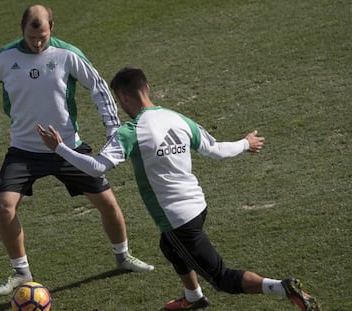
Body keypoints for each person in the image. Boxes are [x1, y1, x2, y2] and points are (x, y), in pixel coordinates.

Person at [38, 67, 321, 311]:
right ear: (146, 88)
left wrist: (60, 148)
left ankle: (282, 288)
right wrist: (246, 142)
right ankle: (193, 296)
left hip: (178, 220)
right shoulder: (177, 118)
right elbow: (216, 150)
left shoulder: (131, 131)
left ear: (122, 98)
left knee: (222, 277)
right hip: (197, 206)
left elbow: (97, 167)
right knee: (169, 247)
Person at [0, 6, 154, 296]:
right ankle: (21, 273)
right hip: (24, 150)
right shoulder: (6, 58)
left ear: (51, 27)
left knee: (107, 202)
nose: (37, 43)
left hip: (67, 148)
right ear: (22, 29)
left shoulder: (68, 55)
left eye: (42, 37)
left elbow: (99, 87)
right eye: (31, 37)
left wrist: (112, 129)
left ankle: (122, 256)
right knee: (4, 205)